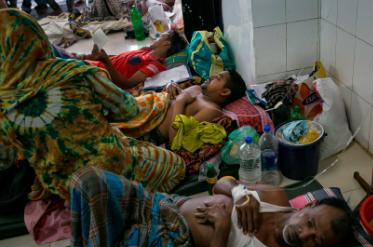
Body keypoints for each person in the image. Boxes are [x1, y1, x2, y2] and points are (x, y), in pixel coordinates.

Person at [0, 9, 186, 202]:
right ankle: (131, 204)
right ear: (37, 37)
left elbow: (5, 159)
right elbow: (128, 110)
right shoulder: (75, 72)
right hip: (111, 163)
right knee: (177, 167)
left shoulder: (3, 103)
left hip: (67, 187)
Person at [69, 167, 355, 247]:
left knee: (118, 240)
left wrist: (222, 228)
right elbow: (222, 183)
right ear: (307, 206)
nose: (303, 233)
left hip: (170, 241)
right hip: (162, 203)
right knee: (89, 181)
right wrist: (240, 194)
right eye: (310, 222)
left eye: (314, 240)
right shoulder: (275, 195)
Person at [112, 69, 247, 145]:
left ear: (225, 92)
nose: (211, 76)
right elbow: (171, 93)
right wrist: (171, 87)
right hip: (149, 106)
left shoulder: (211, 110)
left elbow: (175, 139)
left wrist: (180, 101)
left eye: (217, 77)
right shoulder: (197, 88)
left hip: (151, 129)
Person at [83, 30, 187, 90]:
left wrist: (105, 61)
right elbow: (121, 57)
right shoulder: (146, 51)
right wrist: (101, 57)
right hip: (94, 64)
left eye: (160, 37)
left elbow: (126, 84)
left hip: (97, 73)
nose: (156, 38)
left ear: (167, 43)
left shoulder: (155, 65)